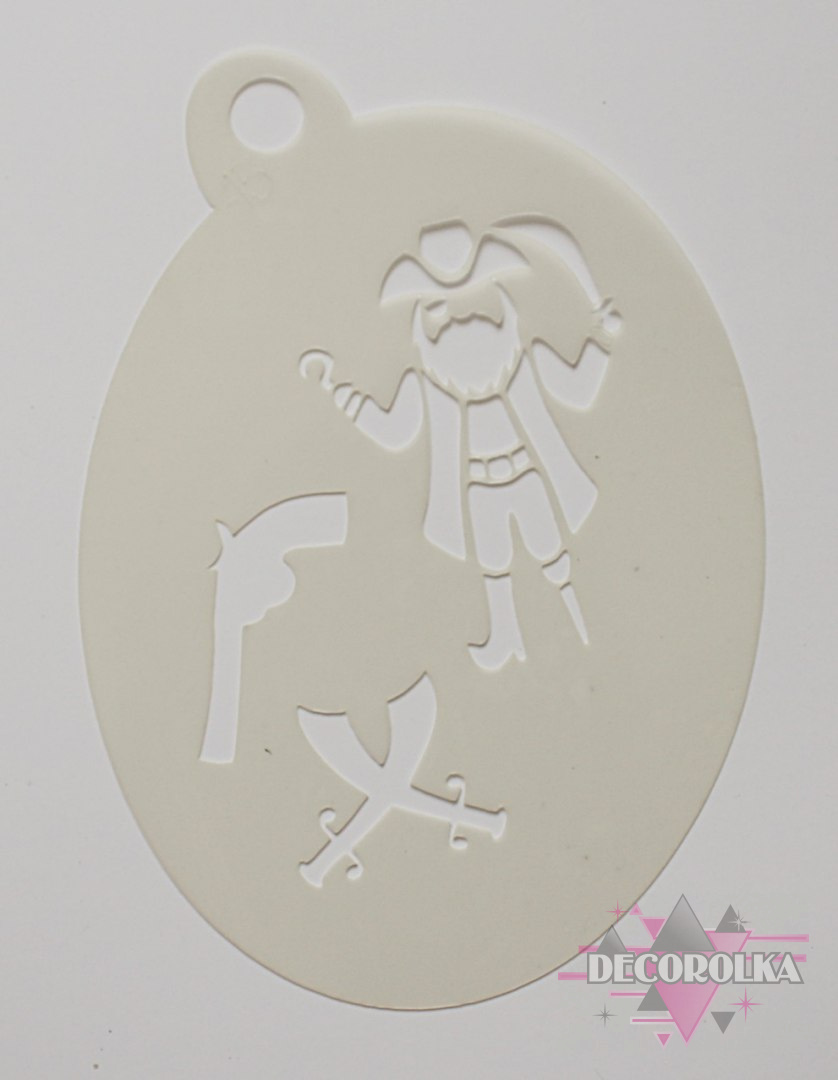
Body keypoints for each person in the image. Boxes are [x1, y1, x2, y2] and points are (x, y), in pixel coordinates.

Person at [301, 217, 621, 670]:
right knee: (494, 566)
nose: (461, 320)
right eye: (441, 313)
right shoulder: (428, 388)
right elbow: (392, 432)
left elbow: (580, 390)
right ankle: (506, 635)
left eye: (477, 306)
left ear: (504, 309)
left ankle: (586, 630)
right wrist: (337, 388)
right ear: (420, 329)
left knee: (554, 557)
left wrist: (603, 335)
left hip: (527, 475)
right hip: (477, 490)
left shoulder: (526, 365)